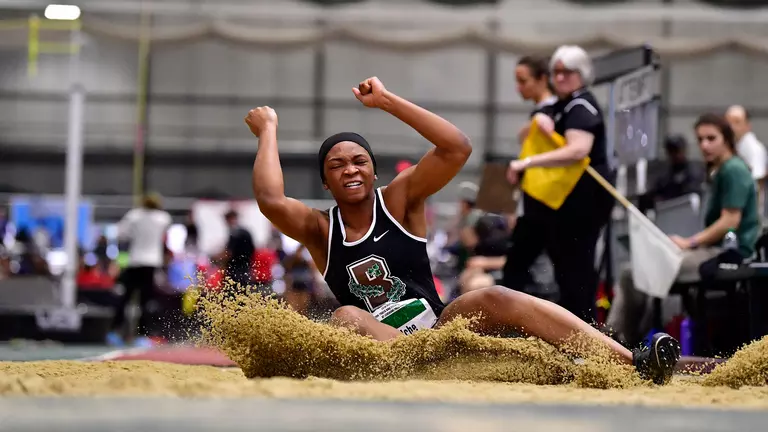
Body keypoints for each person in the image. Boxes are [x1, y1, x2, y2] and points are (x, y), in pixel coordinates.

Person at [244, 75, 680, 385]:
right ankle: (417, 370)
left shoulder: (398, 200)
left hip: (442, 333)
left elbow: (457, 147)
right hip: (387, 354)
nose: (350, 170)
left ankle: (629, 361)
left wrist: (388, 102)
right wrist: (268, 130)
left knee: (493, 294)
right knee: (344, 317)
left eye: (359, 161)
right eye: (336, 165)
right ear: (325, 182)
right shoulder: (322, 231)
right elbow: (271, 200)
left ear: (375, 173)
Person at [607, 113, 761, 347]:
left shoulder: (733, 170)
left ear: (727, 139)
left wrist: (690, 243)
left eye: (711, 138)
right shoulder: (721, 170)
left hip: (728, 254)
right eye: (700, 139)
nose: (704, 145)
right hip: (714, 250)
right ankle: (623, 340)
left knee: (636, 271)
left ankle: (615, 341)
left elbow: (730, 220)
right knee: (640, 273)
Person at [502, 45, 615, 323]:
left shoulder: (581, 106)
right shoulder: (566, 105)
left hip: (582, 205)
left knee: (576, 275)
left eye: (568, 72)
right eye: (557, 72)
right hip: (564, 206)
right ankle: (575, 335)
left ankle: (585, 339)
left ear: (582, 74)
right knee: (568, 273)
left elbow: (578, 150)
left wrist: (527, 163)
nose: (561, 77)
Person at [109, 193, 172, 347]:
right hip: (150, 263)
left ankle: (115, 332)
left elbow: (121, 234)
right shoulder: (163, 218)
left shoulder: (134, 216)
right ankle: (143, 335)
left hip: (135, 261)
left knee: (125, 299)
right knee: (146, 301)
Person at [725, 105, 767, 217]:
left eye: (737, 122)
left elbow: (757, 184)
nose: (732, 127)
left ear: (747, 125)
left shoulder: (754, 149)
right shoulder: (733, 146)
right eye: (728, 122)